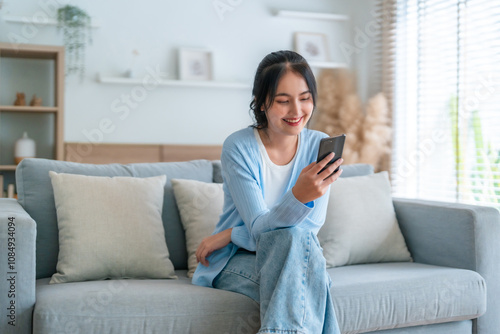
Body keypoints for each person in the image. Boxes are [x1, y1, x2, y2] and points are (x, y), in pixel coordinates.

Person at [192, 50, 343, 334]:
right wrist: (298, 196)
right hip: (234, 259)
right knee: (310, 281)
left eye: (305, 98)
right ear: (261, 103)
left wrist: (231, 233)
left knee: (300, 260)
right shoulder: (239, 148)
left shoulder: (319, 146)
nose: (297, 111)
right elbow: (263, 231)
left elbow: (309, 229)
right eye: (283, 101)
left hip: (294, 252)